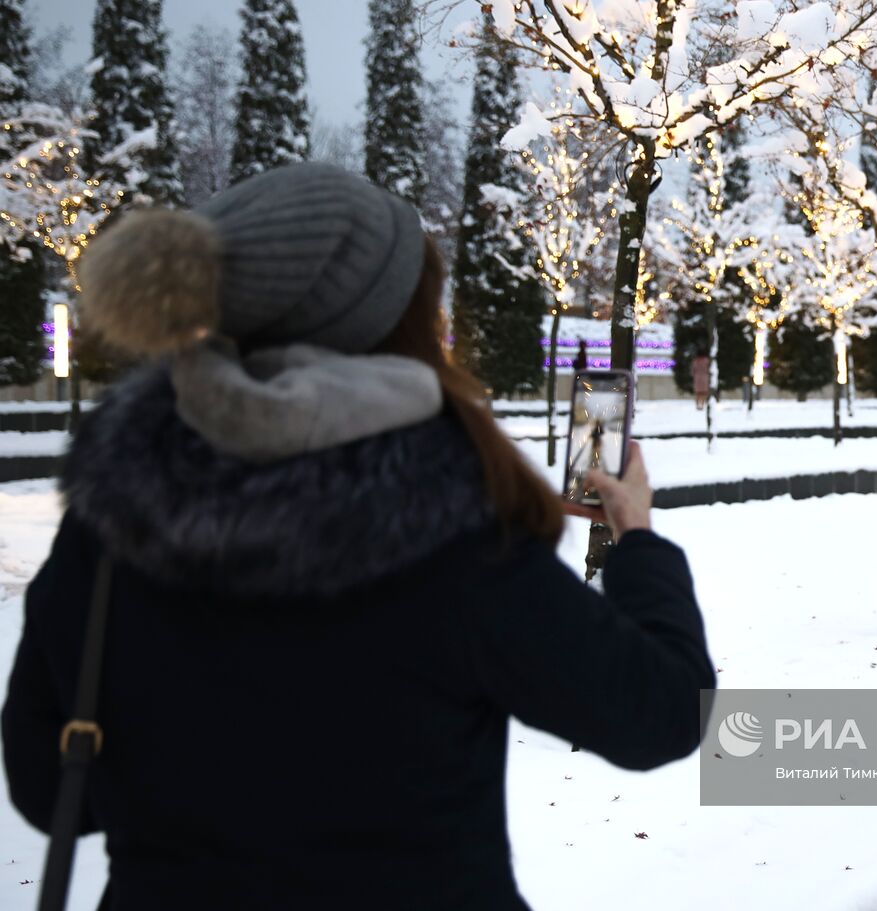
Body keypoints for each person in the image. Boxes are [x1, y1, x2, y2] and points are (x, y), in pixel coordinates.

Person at [1, 163, 715, 910]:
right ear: (387, 325)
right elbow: (662, 713)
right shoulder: (446, 527)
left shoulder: (115, 524)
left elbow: (49, 787)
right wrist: (639, 541)